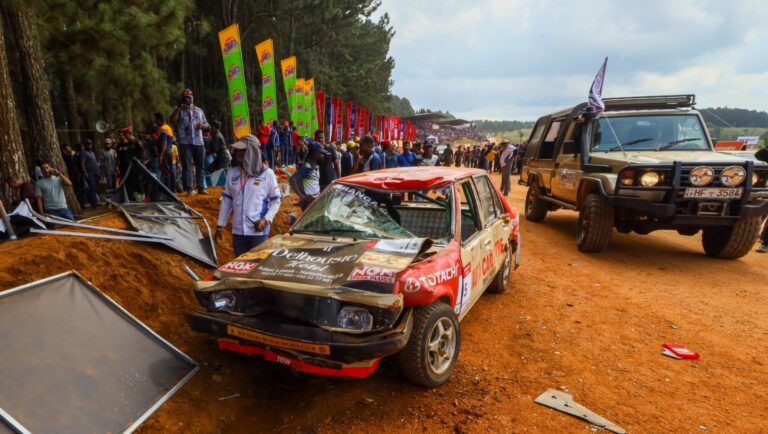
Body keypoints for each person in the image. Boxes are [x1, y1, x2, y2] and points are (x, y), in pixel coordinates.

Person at [215, 134, 281, 256]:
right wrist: (220, 225)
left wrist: (265, 220)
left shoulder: (268, 174)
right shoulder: (232, 173)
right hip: (238, 232)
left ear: (253, 151)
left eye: (243, 150)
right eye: (238, 150)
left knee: (257, 265)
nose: (238, 153)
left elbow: (275, 201)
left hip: (258, 232)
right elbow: (226, 201)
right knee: (240, 265)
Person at [170, 89, 209, 195]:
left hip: (198, 142)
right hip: (185, 143)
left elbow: (207, 125)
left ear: (193, 98)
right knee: (187, 167)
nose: (187, 99)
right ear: (182, 99)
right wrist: (178, 107)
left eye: (189, 97)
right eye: (185, 97)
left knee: (200, 166)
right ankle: (189, 189)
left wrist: (203, 126)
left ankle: (201, 188)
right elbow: (172, 120)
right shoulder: (179, 111)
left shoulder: (199, 110)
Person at [290, 141, 326, 210]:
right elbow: (292, 179)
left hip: (315, 198)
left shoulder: (315, 165)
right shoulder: (307, 166)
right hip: (308, 201)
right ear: (315, 153)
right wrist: (302, 196)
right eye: (321, 153)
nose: (323, 155)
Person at [79, 140, 101, 209]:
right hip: (89, 174)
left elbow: (95, 162)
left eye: (90, 144)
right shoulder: (83, 153)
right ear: (85, 145)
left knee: (96, 188)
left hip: (96, 173)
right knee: (92, 188)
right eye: (88, 144)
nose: (89, 145)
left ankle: (96, 202)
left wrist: (98, 171)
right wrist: (85, 173)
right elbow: (82, 163)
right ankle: (93, 204)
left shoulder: (92, 153)